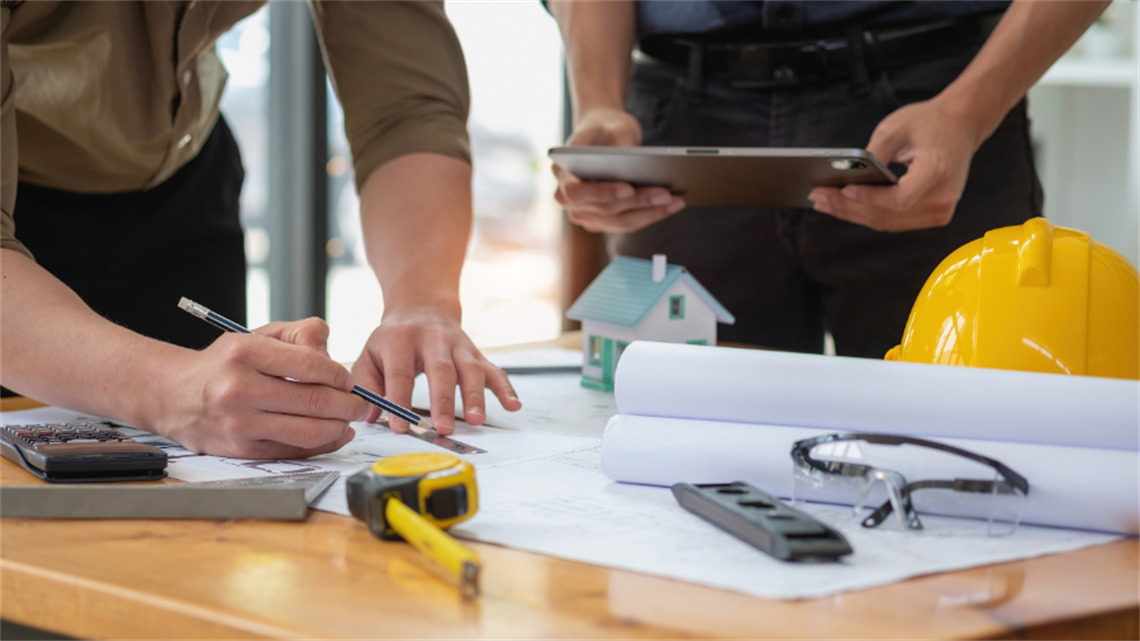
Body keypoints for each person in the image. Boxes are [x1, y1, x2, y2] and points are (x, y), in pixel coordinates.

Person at [0, 0, 520, 459]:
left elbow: (404, 108)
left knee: (207, 491)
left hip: (183, 180)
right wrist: (168, 389)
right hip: (20, 209)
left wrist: (421, 301)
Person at [548, 0, 1110, 358]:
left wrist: (968, 112)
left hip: (935, 102)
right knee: (676, 460)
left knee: (963, 449)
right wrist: (597, 101)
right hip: (679, 117)